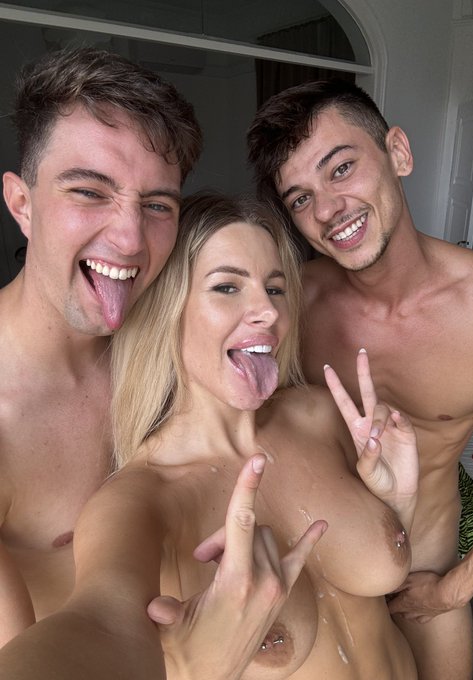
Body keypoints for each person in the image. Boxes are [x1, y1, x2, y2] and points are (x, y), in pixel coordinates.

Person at [0, 192, 420, 679]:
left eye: (275, 288)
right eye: (226, 287)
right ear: (168, 310)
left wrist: (398, 502)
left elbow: (377, 594)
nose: (267, 311)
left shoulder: (319, 415)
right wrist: (186, 663)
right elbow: (99, 622)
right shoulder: (140, 502)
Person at [0, 46, 305, 674]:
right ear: (21, 203)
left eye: (158, 204)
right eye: (90, 191)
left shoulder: (175, 348)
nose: (130, 238)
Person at [246, 77, 473, 680]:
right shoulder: (291, 302)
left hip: (426, 570)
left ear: (398, 152)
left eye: (341, 169)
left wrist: (456, 587)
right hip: (323, 562)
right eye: (300, 199)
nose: (328, 210)